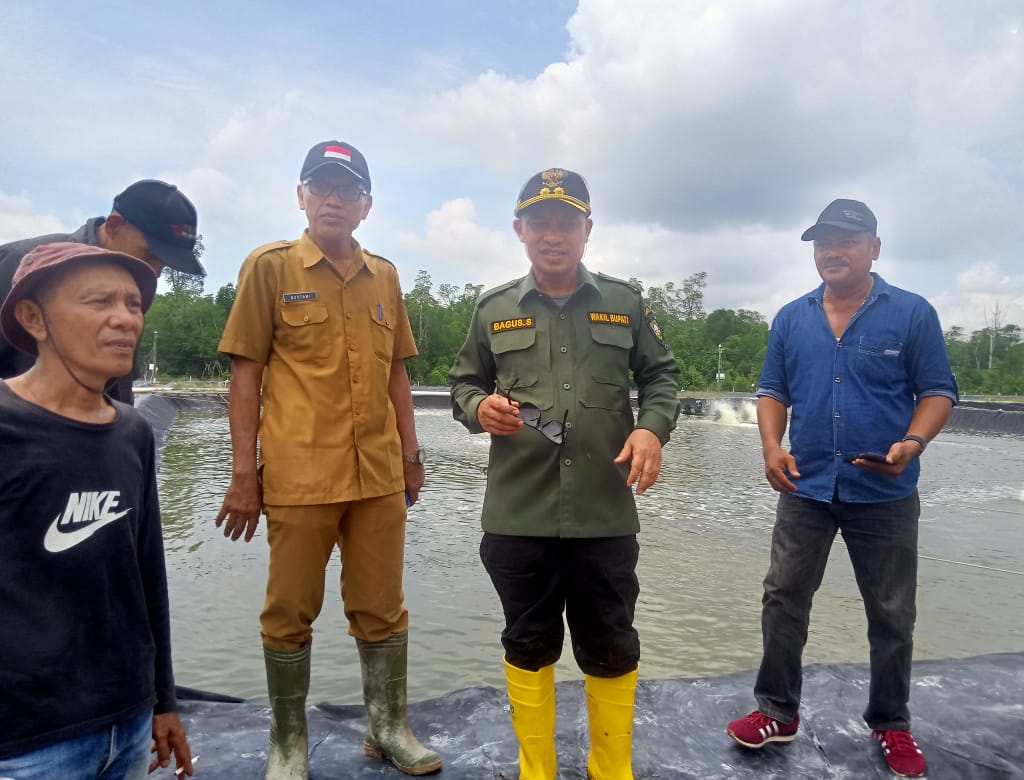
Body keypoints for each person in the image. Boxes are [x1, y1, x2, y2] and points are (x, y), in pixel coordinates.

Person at [215, 140, 441, 778]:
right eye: (321, 186)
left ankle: (387, 726)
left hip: (377, 475)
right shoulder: (270, 267)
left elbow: (397, 373)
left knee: (381, 605)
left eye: (347, 189)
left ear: (366, 205)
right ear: (301, 196)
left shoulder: (386, 276)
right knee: (289, 610)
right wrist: (243, 476)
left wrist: (412, 456)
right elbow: (245, 375)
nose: (333, 198)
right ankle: (288, 742)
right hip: (298, 474)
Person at [448, 168, 681, 780]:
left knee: (611, 642)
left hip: (604, 511)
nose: (555, 235)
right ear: (521, 230)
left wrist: (650, 428)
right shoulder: (492, 307)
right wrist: (480, 408)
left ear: (587, 229)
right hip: (518, 513)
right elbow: (463, 384)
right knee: (527, 643)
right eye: (542, 223)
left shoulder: (624, 302)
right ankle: (537, 770)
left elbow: (662, 377)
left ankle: (612, 770)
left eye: (567, 222)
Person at [725, 199, 958, 778]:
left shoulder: (911, 313)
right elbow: (772, 391)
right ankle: (776, 713)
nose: (832, 249)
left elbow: (937, 391)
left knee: (890, 610)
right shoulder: (791, 317)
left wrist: (913, 442)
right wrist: (770, 446)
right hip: (804, 485)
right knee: (783, 598)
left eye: (847, 239)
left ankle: (891, 724)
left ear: (874, 248)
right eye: (822, 241)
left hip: (885, 489)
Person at [0, 242, 193, 778]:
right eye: (99, 301)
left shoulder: (131, 432)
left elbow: (147, 576)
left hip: (127, 727)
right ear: (32, 317)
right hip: (27, 745)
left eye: (133, 304)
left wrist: (163, 700)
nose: (124, 319)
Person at [0, 179, 204, 402]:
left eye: (164, 264)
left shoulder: (130, 291)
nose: (155, 273)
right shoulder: (19, 267)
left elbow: (118, 392)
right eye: (149, 255)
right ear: (114, 225)